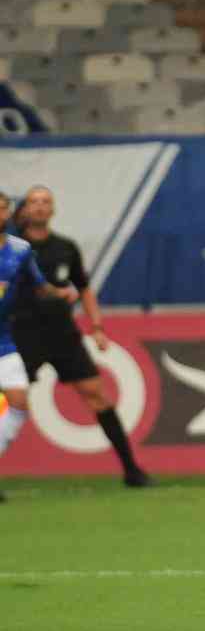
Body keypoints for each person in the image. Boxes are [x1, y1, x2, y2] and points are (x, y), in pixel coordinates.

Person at [12, 186, 150, 486]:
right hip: (21, 334)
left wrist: (97, 328)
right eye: (34, 202)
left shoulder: (65, 247)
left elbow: (84, 288)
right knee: (9, 402)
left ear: (52, 209)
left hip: (62, 334)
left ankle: (131, 470)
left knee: (97, 396)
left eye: (45, 202)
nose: (39, 207)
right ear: (22, 209)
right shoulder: (12, 247)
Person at [0, 192, 78, 501]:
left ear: (9, 213)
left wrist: (60, 293)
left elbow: (39, 285)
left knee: (18, 401)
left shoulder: (20, 251)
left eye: (2, 208)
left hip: (3, 341)